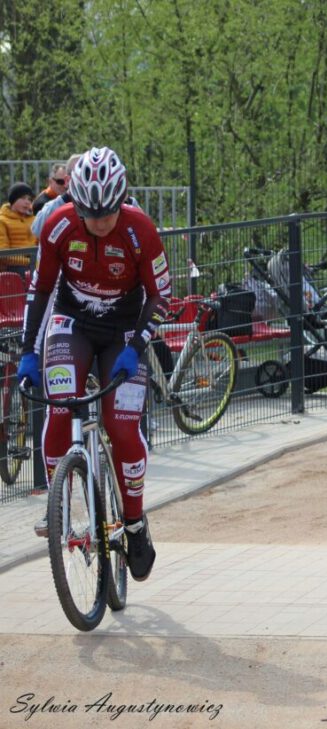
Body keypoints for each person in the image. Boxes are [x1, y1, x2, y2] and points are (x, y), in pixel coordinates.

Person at [15, 147, 171, 582]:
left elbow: (161, 295)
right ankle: (60, 510)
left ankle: (134, 522)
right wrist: (28, 350)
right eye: (89, 214)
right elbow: (40, 290)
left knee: (121, 426)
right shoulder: (59, 224)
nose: (99, 222)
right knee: (59, 405)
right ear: (76, 203)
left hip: (125, 329)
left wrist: (137, 346)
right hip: (72, 322)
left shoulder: (140, 229)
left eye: (107, 213)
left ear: (121, 200)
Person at [31, 153, 84, 240]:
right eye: (60, 182)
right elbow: (37, 231)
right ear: (68, 180)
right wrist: (66, 198)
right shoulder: (47, 204)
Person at [0, 183, 35, 274]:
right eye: (23, 198)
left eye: (30, 199)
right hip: (12, 268)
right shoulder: (2, 221)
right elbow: (3, 254)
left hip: (34, 263)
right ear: (13, 200)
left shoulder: (34, 219)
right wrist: (30, 262)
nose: (27, 202)